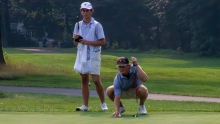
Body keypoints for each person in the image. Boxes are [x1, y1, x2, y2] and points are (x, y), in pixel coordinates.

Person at [73, 2, 108, 111]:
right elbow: (75, 43)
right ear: (81, 11)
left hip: (94, 54)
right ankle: (85, 105)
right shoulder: (78, 25)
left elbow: (102, 42)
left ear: (91, 11)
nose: (85, 12)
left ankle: (103, 103)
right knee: (84, 80)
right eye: (83, 10)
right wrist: (77, 40)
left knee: (96, 80)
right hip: (82, 54)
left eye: (87, 10)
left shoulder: (97, 25)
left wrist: (87, 42)